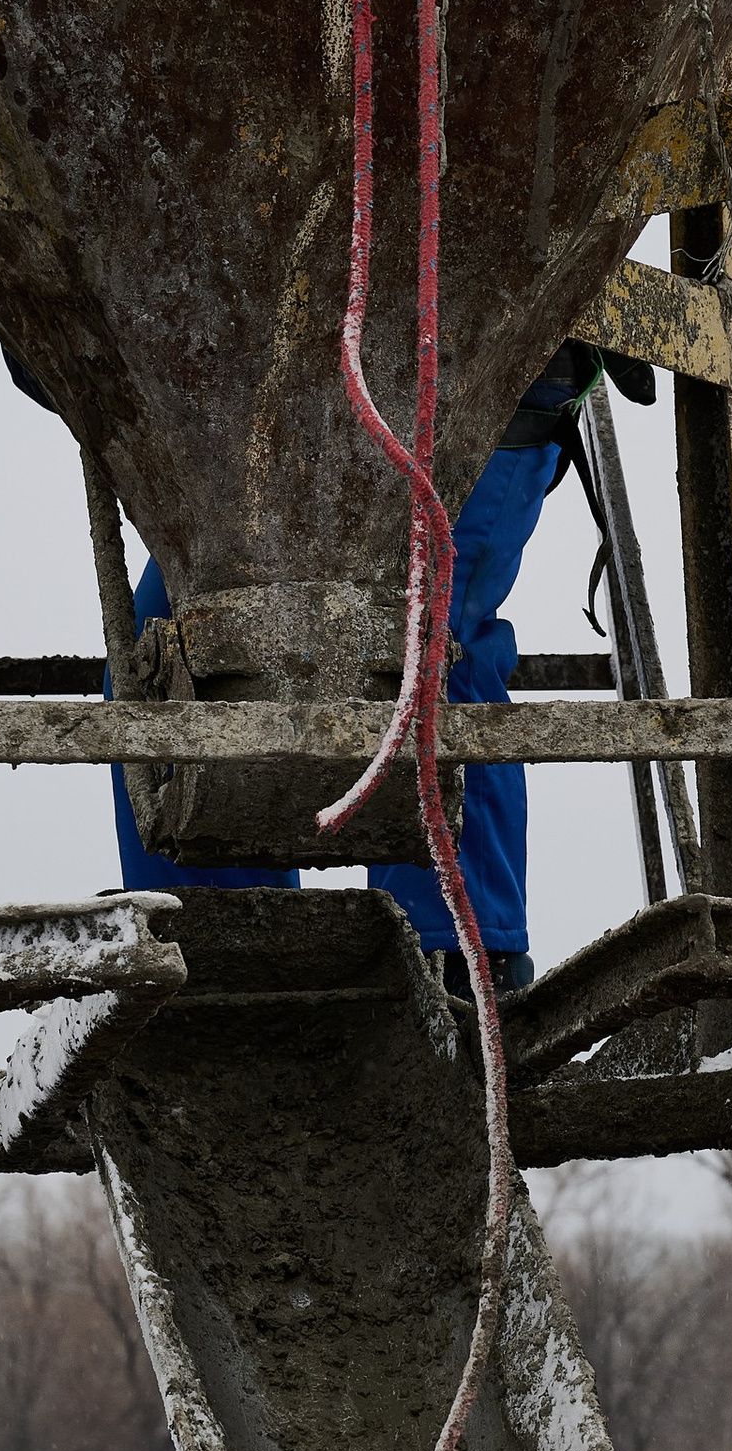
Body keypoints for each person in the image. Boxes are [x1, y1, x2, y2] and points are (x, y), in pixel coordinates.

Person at [81, 343, 648, 978]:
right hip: (270, 406)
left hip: (477, 385)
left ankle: (460, 956)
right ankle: (221, 950)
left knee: (439, 644)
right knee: (170, 655)